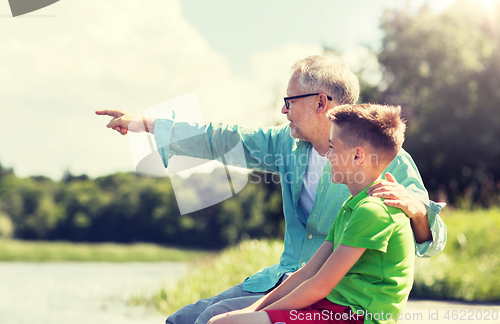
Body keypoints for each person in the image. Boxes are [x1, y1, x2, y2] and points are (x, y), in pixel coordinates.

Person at [96, 54, 446, 324]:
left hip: (338, 296)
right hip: (282, 279)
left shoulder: (387, 159)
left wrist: (417, 210)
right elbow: (222, 139)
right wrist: (145, 124)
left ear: (320, 102)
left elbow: (434, 240)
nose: (283, 110)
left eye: (290, 100)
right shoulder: (284, 144)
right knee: (182, 319)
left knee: (210, 319)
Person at [207, 103, 414, 324]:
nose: (327, 155)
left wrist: (256, 316)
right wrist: (254, 308)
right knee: (224, 320)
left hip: (356, 317)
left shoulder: (373, 210)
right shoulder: (352, 206)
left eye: (333, 147)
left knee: (225, 323)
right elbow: (307, 274)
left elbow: (320, 285)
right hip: (333, 309)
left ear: (357, 156)